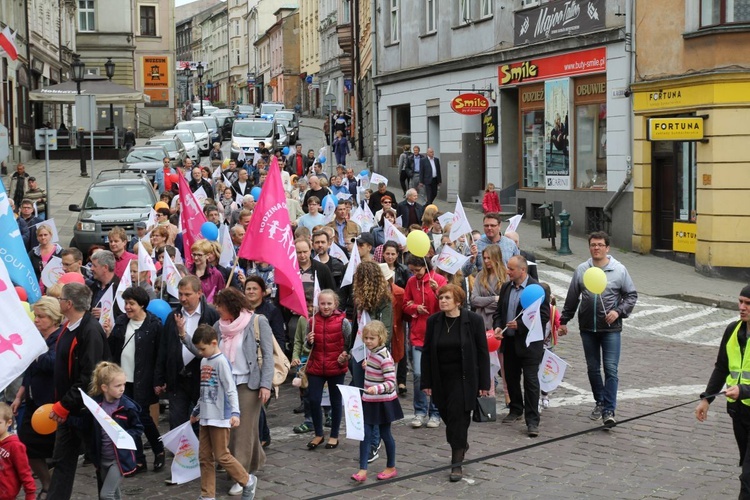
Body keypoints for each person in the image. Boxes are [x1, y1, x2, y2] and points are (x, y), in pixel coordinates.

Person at [182, 288, 272, 497]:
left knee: (241, 430)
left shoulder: (257, 321)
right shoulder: (218, 327)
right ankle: (243, 467)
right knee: (235, 433)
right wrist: (183, 336)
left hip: (249, 382)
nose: (217, 310)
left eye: (220, 306)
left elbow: (267, 355)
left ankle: (242, 478)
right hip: (220, 384)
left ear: (231, 306)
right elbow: (203, 350)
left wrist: (266, 384)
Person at [559, 231, 638, 427]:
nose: (596, 248)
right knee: (593, 369)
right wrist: (563, 320)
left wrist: (618, 312)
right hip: (587, 328)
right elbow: (572, 298)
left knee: (611, 369)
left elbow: (631, 295)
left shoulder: (619, 270)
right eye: (593, 245)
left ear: (607, 248)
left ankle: (609, 409)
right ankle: (600, 401)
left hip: (611, 329)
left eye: (600, 245)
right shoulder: (582, 270)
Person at [48, 283, 111, 499]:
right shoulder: (69, 326)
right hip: (70, 408)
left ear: (69, 303)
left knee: (100, 460)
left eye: (60, 299)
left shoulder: (90, 330)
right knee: (62, 461)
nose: (58, 301)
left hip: (87, 411)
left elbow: (90, 376)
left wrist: (65, 404)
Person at [422, 284, 490, 482]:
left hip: (464, 380)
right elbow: (426, 353)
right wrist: (426, 381)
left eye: (447, 298)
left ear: (458, 301)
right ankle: (460, 444)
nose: (442, 301)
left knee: (458, 419)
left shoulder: (473, 321)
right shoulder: (434, 321)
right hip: (441, 379)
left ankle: (456, 463)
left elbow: (483, 353)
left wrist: (484, 384)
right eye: (441, 297)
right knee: (448, 418)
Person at [188, 325, 258, 500]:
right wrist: (197, 410)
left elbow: (230, 389)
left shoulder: (221, 362)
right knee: (204, 457)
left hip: (220, 417)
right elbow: (204, 389)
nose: (201, 352)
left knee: (221, 455)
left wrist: (235, 413)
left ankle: (247, 480)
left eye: (203, 348)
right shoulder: (204, 362)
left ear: (213, 343)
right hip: (206, 416)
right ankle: (207, 495)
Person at [696, 285, 750, 499]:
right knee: (745, 464)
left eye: (748, 304)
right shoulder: (732, 330)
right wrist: (706, 399)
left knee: (748, 476)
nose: (742, 307)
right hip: (738, 413)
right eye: (740, 302)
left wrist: (744, 390)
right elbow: (721, 367)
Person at [104, 286, 165, 474]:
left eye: (131, 304)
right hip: (123, 381)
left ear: (142, 305)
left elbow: (159, 356)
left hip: (144, 380)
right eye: (126, 303)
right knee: (130, 418)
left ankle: (158, 450)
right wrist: (108, 334)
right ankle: (138, 459)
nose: (127, 307)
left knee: (143, 417)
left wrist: (158, 380)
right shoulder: (122, 322)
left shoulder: (154, 325)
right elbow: (113, 349)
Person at [10, 297, 62, 497]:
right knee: (26, 447)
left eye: (41, 317)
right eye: (36, 316)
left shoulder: (59, 338)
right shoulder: (38, 338)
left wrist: (34, 352)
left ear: (53, 318)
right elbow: (30, 371)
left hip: (50, 403)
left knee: (54, 450)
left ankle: (55, 487)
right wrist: (19, 395)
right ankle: (47, 484)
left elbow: (52, 363)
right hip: (33, 401)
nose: (36, 320)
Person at [492, 255, 549, 438]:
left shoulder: (537, 289)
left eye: (511, 269)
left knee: (531, 381)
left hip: (530, 344)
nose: (507, 271)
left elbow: (543, 316)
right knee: (511, 377)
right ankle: (516, 408)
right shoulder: (506, 287)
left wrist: (522, 326)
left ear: (522, 270)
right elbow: (499, 312)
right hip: (509, 342)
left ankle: (532, 420)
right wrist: (498, 326)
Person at [154, 275, 220, 432]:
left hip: (202, 376)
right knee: (177, 419)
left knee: (201, 419)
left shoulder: (210, 315)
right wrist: (159, 377)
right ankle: (180, 451)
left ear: (199, 293)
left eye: (187, 294)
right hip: (177, 376)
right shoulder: (173, 316)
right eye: (180, 294)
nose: (183, 298)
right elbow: (164, 347)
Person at [351, 320, 403, 483]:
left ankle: (391, 466)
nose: (367, 341)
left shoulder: (385, 356)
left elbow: (390, 382)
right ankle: (362, 469)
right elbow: (375, 370)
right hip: (369, 400)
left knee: (385, 434)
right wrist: (368, 366)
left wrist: (376, 389)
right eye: (366, 338)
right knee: (364, 434)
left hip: (383, 402)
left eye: (371, 338)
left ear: (380, 338)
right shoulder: (372, 352)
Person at [87, 362, 144, 499]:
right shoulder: (96, 405)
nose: (122, 389)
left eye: (123, 384)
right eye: (118, 386)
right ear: (104, 387)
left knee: (106, 495)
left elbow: (138, 428)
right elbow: (87, 426)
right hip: (102, 458)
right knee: (115, 493)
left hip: (119, 459)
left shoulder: (128, 407)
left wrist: (124, 435)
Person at [403, 255, 447, 429]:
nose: (415, 274)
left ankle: (435, 412)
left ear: (425, 266)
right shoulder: (411, 282)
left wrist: (438, 292)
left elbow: (447, 305)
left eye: (418, 270)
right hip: (418, 334)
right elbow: (405, 304)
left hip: (437, 334)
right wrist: (415, 308)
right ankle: (420, 411)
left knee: (436, 374)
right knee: (419, 374)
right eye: (412, 271)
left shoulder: (439, 280)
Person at [304, 290, 351, 450]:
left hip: (336, 366)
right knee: (314, 400)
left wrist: (345, 354)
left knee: (336, 401)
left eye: (329, 303)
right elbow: (306, 346)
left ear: (335, 304)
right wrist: (309, 342)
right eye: (323, 303)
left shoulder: (343, 322)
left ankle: (334, 435)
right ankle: (318, 433)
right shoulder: (312, 321)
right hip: (316, 366)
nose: (325, 307)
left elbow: (348, 342)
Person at [470, 244, 508, 401]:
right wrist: (493, 299)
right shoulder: (480, 276)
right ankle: (489, 396)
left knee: (504, 363)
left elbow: (504, 302)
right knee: (486, 362)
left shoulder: (505, 277)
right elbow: (474, 300)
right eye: (484, 258)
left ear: (496, 258)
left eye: (488, 258)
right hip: (483, 324)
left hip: (499, 325)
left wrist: (486, 303)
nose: (486, 261)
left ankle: (508, 395)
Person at [0, 402, 36, 500]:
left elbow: (25, 472)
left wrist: (30, 494)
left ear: (9, 423)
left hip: (6, 494)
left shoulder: (15, 446)